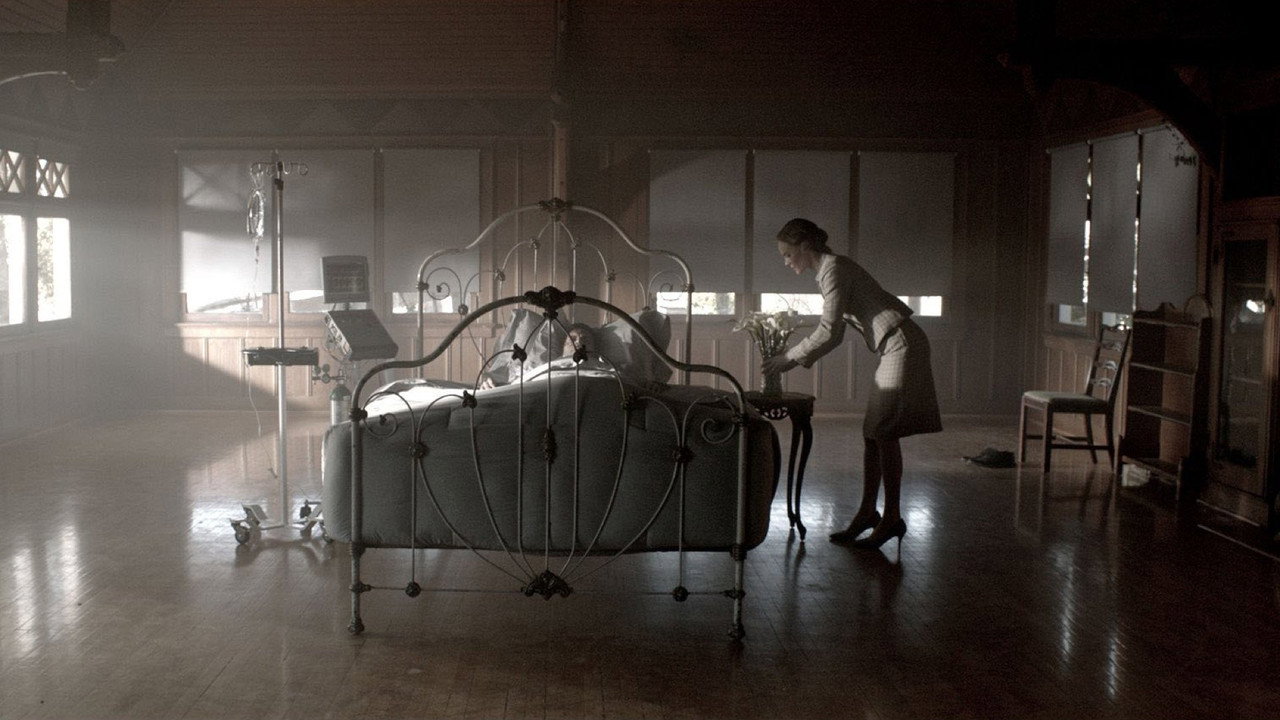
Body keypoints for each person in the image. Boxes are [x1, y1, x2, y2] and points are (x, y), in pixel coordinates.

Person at [761, 218, 942, 550]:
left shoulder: (833, 269)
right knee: (873, 433)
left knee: (883, 432)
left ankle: (891, 517)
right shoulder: (830, 270)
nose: (786, 262)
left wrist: (788, 358)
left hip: (902, 343)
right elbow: (834, 331)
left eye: (787, 254)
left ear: (805, 246)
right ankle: (868, 513)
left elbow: (830, 332)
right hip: (894, 344)